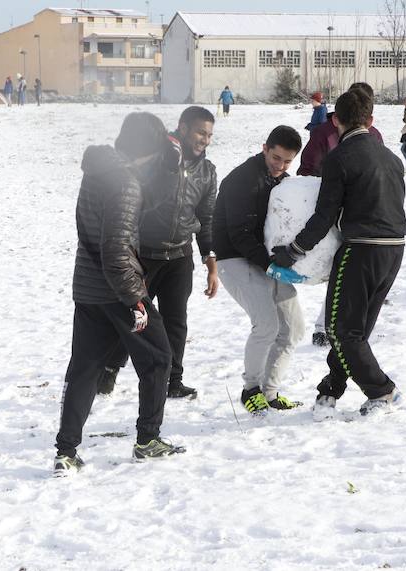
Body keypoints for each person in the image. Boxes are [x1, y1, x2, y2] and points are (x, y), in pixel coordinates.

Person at [54, 112, 187, 475]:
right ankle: (148, 440)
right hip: (117, 290)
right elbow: (116, 248)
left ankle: (66, 452)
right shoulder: (125, 183)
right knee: (159, 358)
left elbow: (135, 210)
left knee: (84, 369)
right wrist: (136, 300)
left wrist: (170, 172)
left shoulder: (99, 172)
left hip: (88, 288)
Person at [271, 87, 406, 419]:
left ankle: (382, 391)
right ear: (370, 120)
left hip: (361, 249)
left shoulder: (340, 159)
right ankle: (330, 389)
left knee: (340, 330)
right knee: (355, 329)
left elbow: (324, 217)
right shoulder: (391, 157)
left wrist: (293, 252)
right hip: (395, 249)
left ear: (336, 121)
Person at [98, 106, 220, 400]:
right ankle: (110, 370)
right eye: (200, 132)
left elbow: (206, 218)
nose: (204, 139)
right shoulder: (157, 159)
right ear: (183, 127)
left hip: (179, 257)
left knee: (176, 322)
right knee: (135, 318)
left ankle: (173, 380)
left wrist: (210, 262)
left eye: (209, 135)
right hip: (144, 256)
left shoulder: (207, 171)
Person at [213, 126, 305, 415]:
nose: (280, 166)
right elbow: (239, 234)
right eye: (276, 157)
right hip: (234, 259)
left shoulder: (284, 183)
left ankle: (270, 391)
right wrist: (271, 266)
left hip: (267, 260)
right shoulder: (242, 180)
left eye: (288, 161)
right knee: (266, 325)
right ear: (265, 148)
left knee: (293, 329)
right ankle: (250, 389)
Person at [297, 82, 384, 347]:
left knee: (348, 274)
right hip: (328, 208)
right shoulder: (324, 133)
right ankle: (324, 326)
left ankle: (338, 325)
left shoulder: (375, 136)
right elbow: (307, 168)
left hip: (360, 214)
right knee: (335, 270)